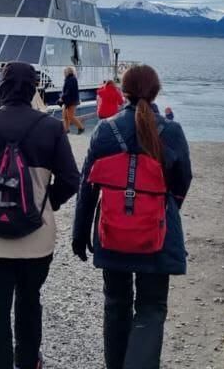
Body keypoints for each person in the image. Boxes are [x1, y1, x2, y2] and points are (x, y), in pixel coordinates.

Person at [0, 62, 81, 369]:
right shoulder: (50, 128)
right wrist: (47, 206)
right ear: (34, 87)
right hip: (37, 239)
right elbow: (70, 180)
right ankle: (27, 361)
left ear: (2, 87)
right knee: (29, 300)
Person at [72, 64, 193, 369]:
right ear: (156, 91)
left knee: (116, 304)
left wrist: (80, 231)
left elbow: (88, 185)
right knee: (151, 308)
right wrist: (166, 207)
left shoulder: (105, 130)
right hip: (157, 232)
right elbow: (183, 180)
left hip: (113, 229)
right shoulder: (172, 131)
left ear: (122, 91)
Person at [60, 66, 85, 134]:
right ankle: (66, 130)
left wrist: (62, 98)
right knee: (65, 116)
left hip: (71, 101)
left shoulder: (71, 79)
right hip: (68, 100)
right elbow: (67, 91)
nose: (64, 73)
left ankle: (81, 128)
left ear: (68, 72)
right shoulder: (70, 79)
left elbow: (68, 91)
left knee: (70, 116)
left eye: (64, 72)